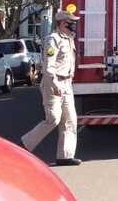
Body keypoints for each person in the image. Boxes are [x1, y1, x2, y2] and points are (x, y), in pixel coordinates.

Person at [21, 11, 81, 166]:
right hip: (53, 82)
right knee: (53, 118)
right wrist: (54, 84)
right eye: (71, 22)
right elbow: (49, 65)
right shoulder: (53, 40)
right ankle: (24, 145)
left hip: (67, 83)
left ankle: (65, 156)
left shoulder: (69, 39)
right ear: (62, 23)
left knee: (70, 121)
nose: (74, 25)